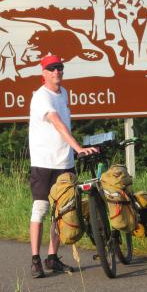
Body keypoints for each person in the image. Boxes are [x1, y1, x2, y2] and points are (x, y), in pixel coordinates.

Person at [28, 54, 98, 278]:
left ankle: (51, 257)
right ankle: (35, 260)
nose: (56, 71)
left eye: (59, 67)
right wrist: (78, 148)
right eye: (51, 69)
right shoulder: (41, 97)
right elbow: (57, 123)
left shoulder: (64, 93)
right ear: (43, 73)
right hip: (43, 163)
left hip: (64, 162)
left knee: (63, 210)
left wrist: (75, 151)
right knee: (40, 209)